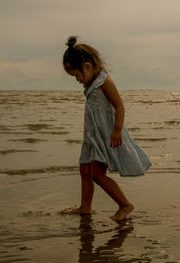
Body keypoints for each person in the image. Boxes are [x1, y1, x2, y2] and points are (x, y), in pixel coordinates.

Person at [61, 36, 151, 221]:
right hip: (91, 137)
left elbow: (119, 105)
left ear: (87, 66)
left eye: (77, 75)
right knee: (84, 171)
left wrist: (117, 130)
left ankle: (125, 205)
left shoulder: (104, 82)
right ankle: (85, 207)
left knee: (96, 174)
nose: (77, 80)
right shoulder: (92, 82)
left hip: (104, 137)